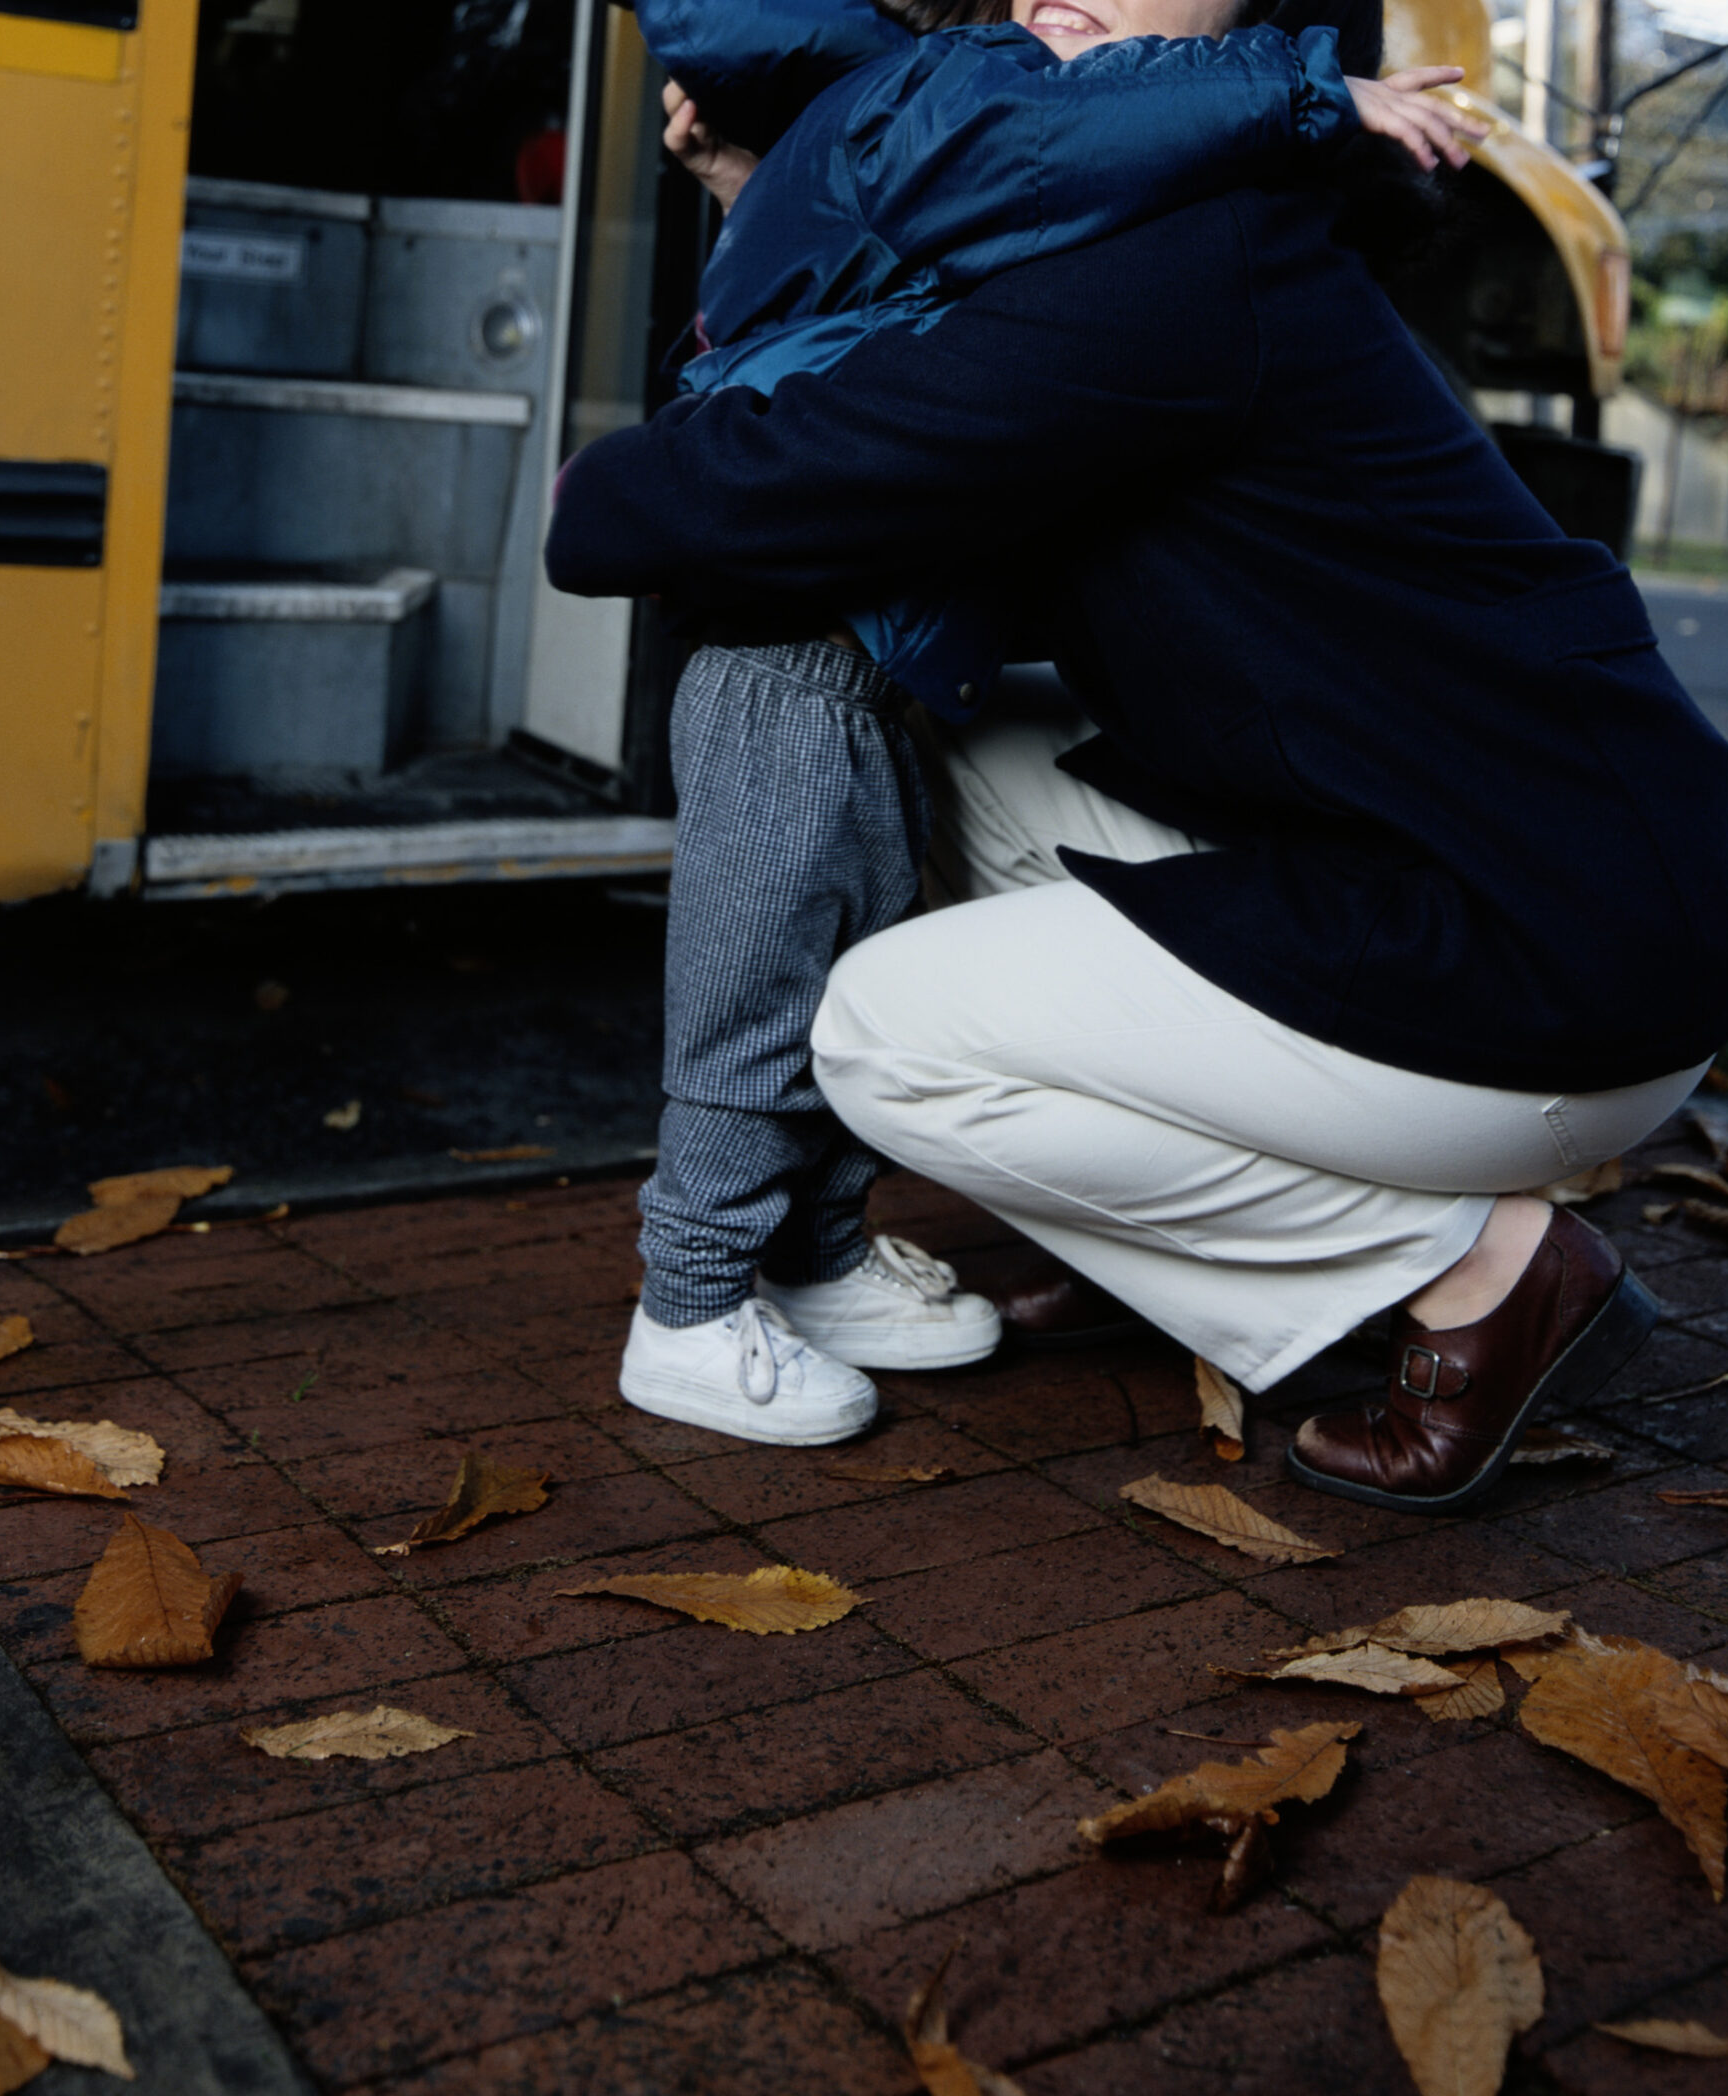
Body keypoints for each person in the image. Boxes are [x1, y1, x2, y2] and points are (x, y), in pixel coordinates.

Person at [548, 0, 1728, 1511]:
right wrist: (767, 185)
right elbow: (919, 311)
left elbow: (744, 483)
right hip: (1498, 863)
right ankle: (1173, 1245)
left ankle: (1484, 1273)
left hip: (1553, 957)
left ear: (1267, 33)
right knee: (962, 754)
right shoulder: (1187, 235)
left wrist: (588, 478)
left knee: (885, 1038)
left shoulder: (1183, 273)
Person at [610, 0, 1482, 1451]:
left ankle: (819, 1260)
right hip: (784, 662)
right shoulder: (966, 90)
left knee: (836, 967)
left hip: (878, 671)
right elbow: (1055, 136)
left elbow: (841, 280)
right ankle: (687, 1308)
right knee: (748, 1005)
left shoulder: (983, 137)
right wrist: (1308, 90)